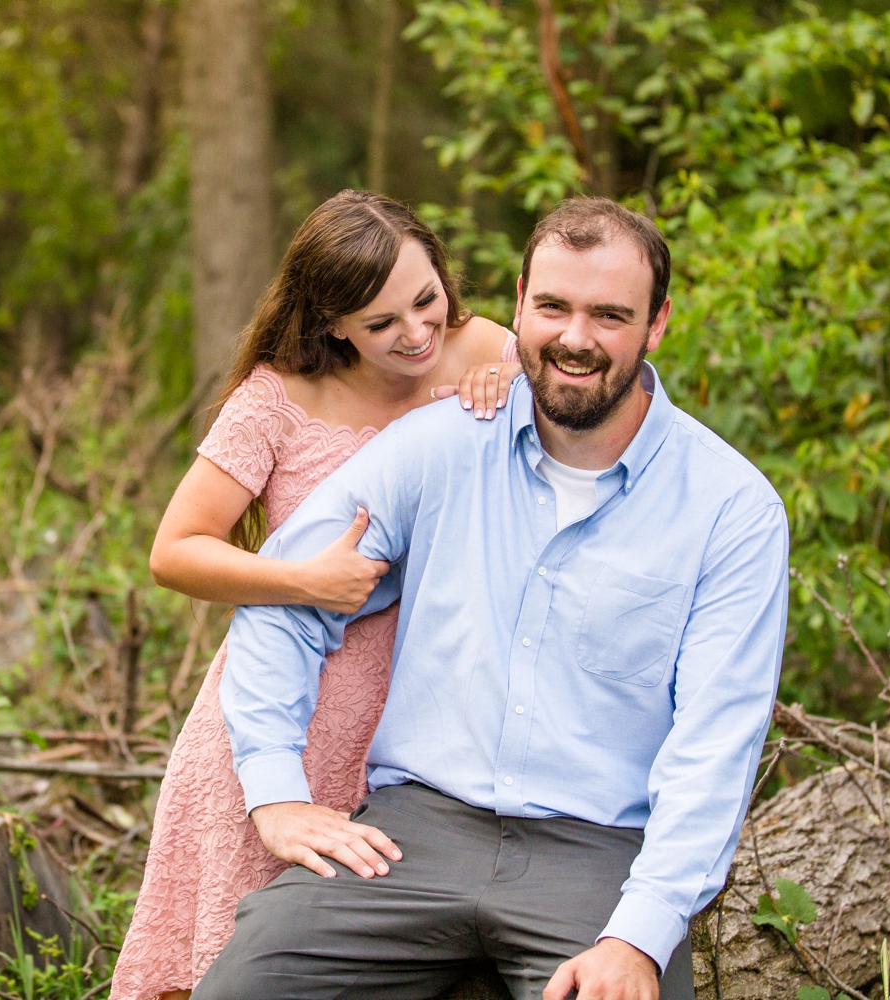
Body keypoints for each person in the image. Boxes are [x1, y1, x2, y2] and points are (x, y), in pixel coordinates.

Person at [193, 197, 791, 1000]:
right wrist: (276, 794)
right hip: (411, 837)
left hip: (597, 859)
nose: (576, 338)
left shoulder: (731, 509)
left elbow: (715, 744)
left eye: (610, 315)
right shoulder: (441, 445)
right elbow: (287, 597)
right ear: (518, 305)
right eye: (553, 307)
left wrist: (641, 933)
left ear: (657, 324)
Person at [110, 190, 524, 1000]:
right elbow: (174, 551)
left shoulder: (488, 348)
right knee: (239, 962)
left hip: (427, 729)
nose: (415, 334)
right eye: (380, 324)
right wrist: (304, 579)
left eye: (426, 299)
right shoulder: (277, 398)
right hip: (283, 722)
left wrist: (506, 388)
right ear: (333, 323)